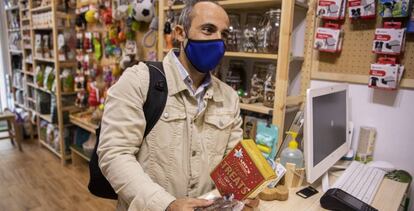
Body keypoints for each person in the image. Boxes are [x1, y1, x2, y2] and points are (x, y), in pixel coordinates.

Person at [97, 0, 259, 210]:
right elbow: (115, 154)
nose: (218, 41)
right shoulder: (139, 81)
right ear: (180, 33)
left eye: (224, 35)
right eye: (208, 30)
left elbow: (232, 160)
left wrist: (243, 192)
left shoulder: (229, 97)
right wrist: (166, 204)